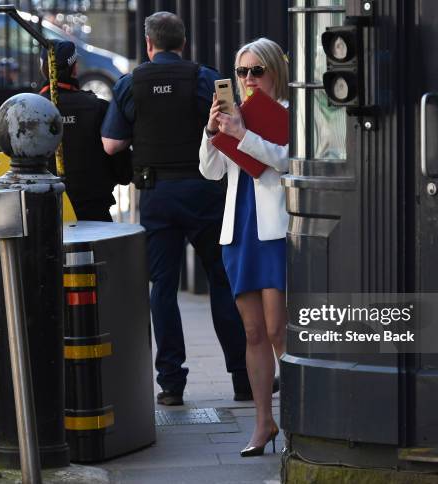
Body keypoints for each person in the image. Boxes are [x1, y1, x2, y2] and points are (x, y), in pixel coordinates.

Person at [101, 11, 261, 406]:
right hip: (205, 192)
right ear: (184, 43)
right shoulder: (206, 79)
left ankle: (171, 384)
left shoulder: (129, 84)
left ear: (149, 45)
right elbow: (230, 125)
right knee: (221, 282)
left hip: (157, 196)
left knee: (163, 288)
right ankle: (243, 378)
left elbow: (110, 145)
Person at [199, 38, 289, 456]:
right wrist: (212, 130)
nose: (249, 79)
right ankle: (263, 422)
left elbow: (287, 159)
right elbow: (211, 170)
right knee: (252, 332)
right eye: (241, 72)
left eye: (257, 71)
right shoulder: (234, 116)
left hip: (274, 229)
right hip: (238, 230)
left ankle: (298, 418)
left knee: (277, 329)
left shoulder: (288, 113)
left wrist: (244, 135)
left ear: (274, 72)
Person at [39, 40, 130, 221]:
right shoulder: (99, 108)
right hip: (94, 213)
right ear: (74, 69)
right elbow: (123, 168)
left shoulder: (25, 111)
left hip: (44, 214)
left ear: (44, 69)